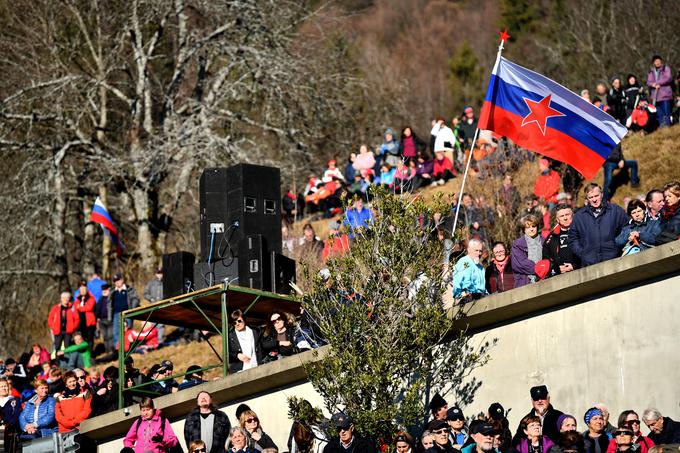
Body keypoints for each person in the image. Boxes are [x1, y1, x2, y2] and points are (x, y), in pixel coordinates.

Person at [568, 184, 628, 266]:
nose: (594, 200)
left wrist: (617, 244)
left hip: (614, 259)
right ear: (587, 199)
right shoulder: (579, 216)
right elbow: (573, 239)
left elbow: (627, 228)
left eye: (596, 196)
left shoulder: (615, 210)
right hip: (589, 263)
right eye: (591, 197)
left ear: (602, 194)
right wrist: (583, 253)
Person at [542, 205, 580, 277]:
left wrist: (575, 266)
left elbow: (590, 252)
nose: (565, 218)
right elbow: (546, 259)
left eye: (567, 215)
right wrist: (556, 269)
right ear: (557, 219)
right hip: (560, 277)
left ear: (573, 215)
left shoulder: (582, 232)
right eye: (562, 216)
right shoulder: (551, 238)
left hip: (581, 273)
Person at [511, 215, 544, 287]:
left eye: (533, 226)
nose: (531, 229)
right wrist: (541, 269)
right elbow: (520, 264)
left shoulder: (544, 241)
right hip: (525, 281)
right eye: (528, 227)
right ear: (524, 229)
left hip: (544, 279)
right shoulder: (518, 244)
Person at [111, 273, 141, 349]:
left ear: (122, 280)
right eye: (115, 281)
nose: (117, 282)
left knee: (128, 331)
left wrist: (132, 309)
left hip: (127, 313)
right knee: (116, 332)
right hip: (116, 314)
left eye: (118, 280)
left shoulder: (129, 289)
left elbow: (136, 299)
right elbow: (109, 303)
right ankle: (117, 349)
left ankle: (129, 348)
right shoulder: (113, 292)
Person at [646, 55, 673, 127]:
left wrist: (657, 83)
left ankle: (668, 127)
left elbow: (668, 78)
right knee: (659, 114)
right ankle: (662, 127)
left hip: (665, 95)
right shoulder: (651, 71)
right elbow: (648, 82)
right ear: (653, 63)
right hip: (655, 96)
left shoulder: (666, 69)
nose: (657, 62)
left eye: (658, 61)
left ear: (661, 61)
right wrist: (654, 85)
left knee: (667, 113)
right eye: (655, 61)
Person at [74, 279, 97, 347]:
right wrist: (82, 307)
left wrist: (80, 307)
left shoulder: (91, 298)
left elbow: (89, 308)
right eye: (81, 289)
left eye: (84, 289)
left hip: (89, 322)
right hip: (80, 322)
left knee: (90, 338)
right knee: (83, 338)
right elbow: (75, 306)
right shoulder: (77, 298)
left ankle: (90, 353)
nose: (82, 290)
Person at [0, 377, 21, 452]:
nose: (4, 388)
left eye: (5, 386)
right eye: (1, 386)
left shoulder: (15, 400)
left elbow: (15, 418)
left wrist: (4, 422)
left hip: (10, 433)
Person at [95, 283, 115, 355]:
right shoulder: (101, 299)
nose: (104, 291)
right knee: (105, 336)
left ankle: (112, 350)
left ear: (109, 289)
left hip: (110, 319)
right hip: (102, 320)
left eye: (106, 289)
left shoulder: (112, 298)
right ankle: (107, 350)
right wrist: (97, 318)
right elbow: (97, 309)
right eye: (103, 290)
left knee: (110, 336)